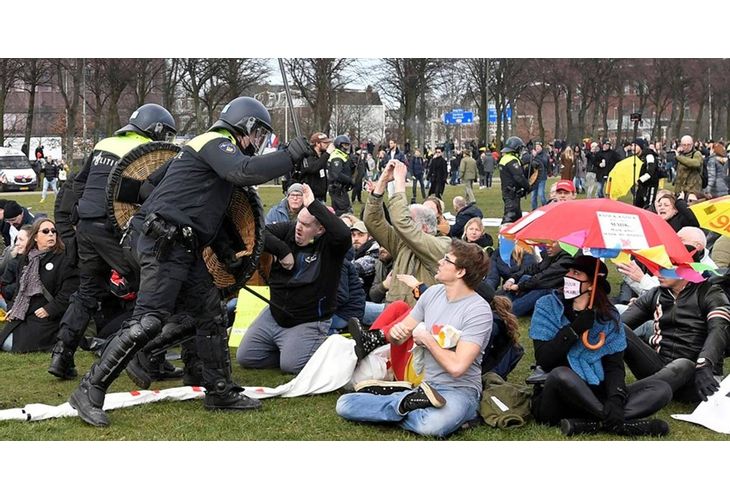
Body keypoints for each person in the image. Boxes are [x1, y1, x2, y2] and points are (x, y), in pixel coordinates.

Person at [67, 96, 310, 427]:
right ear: (246, 126)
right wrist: (289, 156)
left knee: (210, 315)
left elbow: (149, 186)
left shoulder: (194, 149)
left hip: (179, 243)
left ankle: (220, 390)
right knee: (148, 321)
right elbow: (243, 172)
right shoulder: (215, 142)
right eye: (259, 135)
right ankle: (89, 388)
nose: (258, 143)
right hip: (164, 243)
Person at [48, 103, 178, 380]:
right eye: (164, 133)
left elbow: (77, 184)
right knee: (151, 288)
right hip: (113, 228)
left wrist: (80, 214)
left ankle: (61, 355)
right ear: (155, 129)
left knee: (86, 292)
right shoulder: (147, 151)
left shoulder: (105, 143)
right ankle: (150, 359)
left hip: (85, 226)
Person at [336, 239, 492, 438]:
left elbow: (457, 367)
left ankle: (400, 402)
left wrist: (426, 339)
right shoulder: (432, 294)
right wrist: (396, 333)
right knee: (345, 404)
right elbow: (400, 335)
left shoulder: (478, 310)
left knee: (432, 425)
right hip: (426, 386)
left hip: (460, 390)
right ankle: (406, 401)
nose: (440, 262)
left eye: (447, 260)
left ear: (460, 272)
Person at [529, 256, 672, 436]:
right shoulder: (547, 306)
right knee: (561, 375)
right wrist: (574, 330)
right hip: (558, 398)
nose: (568, 277)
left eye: (576, 273)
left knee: (661, 389)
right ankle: (620, 424)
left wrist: (615, 399)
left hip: (597, 393)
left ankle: (592, 423)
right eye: (569, 272)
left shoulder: (608, 316)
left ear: (591, 285)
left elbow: (615, 366)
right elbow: (545, 359)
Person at [237, 183, 351, 373]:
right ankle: (288, 348)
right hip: (274, 313)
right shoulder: (289, 229)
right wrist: (282, 250)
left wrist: (314, 205)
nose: (298, 228)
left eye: (306, 225)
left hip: (308, 319)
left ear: (321, 230)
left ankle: (317, 347)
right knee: (247, 358)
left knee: (292, 366)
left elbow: (343, 233)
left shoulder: (331, 245)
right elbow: (258, 233)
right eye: (299, 221)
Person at [621, 257, 730, 403]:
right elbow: (618, 324)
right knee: (618, 329)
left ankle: (624, 394)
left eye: (666, 267)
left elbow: (719, 329)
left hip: (697, 376)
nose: (659, 271)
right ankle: (603, 383)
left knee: (683, 364)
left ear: (686, 270)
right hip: (660, 367)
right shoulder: (656, 294)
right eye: (658, 266)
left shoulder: (711, 293)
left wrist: (705, 363)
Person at [361, 160, 451, 324]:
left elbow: (401, 222)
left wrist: (400, 185)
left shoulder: (442, 245)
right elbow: (373, 221)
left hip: (420, 322)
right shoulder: (404, 244)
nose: (403, 226)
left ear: (423, 227)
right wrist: (382, 182)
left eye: (410, 221)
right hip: (392, 316)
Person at [0, 219, 78, 353]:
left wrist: (50, 309)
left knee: (10, 344)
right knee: (5, 341)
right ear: (35, 237)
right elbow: (19, 291)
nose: (51, 234)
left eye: (54, 231)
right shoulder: (26, 259)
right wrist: (13, 308)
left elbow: (69, 291)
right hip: (24, 312)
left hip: (48, 317)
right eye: (46, 231)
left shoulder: (64, 259)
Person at [499, 241, 573, 317]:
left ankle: (508, 312)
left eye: (553, 242)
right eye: (547, 241)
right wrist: (512, 279)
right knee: (525, 277)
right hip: (546, 287)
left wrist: (519, 286)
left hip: (560, 295)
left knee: (543, 288)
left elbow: (544, 277)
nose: (547, 245)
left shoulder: (567, 259)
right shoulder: (551, 256)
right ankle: (501, 303)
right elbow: (532, 269)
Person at [499, 136, 531, 224]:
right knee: (510, 216)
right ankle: (503, 236)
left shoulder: (505, 158)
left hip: (508, 191)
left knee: (517, 217)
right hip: (512, 192)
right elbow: (518, 177)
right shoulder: (512, 160)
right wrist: (528, 186)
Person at [301, 132, 333, 203]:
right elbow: (313, 168)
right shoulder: (308, 156)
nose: (327, 145)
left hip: (321, 197)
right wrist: (327, 153)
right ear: (317, 144)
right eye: (325, 143)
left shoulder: (322, 156)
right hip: (311, 197)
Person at [328, 135, 354, 215]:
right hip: (338, 189)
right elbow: (337, 174)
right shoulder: (337, 156)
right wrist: (350, 181)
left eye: (347, 145)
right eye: (345, 145)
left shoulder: (342, 155)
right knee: (344, 211)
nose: (346, 147)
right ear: (339, 144)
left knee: (341, 211)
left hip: (341, 188)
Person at [529, 141, 549, 209]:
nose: (537, 148)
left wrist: (536, 156)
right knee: (533, 196)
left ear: (541, 147)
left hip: (542, 177)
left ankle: (546, 207)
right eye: (536, 147)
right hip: (534, 178)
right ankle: (534, 209)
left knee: (541, 194)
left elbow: (545, 162)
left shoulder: (544, 155)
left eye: (538, 147)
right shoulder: (532, 155)